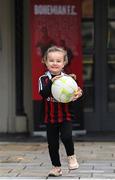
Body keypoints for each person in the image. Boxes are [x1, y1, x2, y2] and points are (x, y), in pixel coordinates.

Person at [39, 46, 83, 177]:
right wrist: (52, 82)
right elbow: (43, 94)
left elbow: (76, 91)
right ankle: (56, 167)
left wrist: (78, 93)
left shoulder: (68, 79)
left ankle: (71, 156)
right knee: (52, 144)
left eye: (58, 61)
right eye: (51, 60)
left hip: (65, 115)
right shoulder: (43, 79)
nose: (54, 63)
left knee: (66, 136)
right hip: (50, 117)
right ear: (45, 62)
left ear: (64, 63)